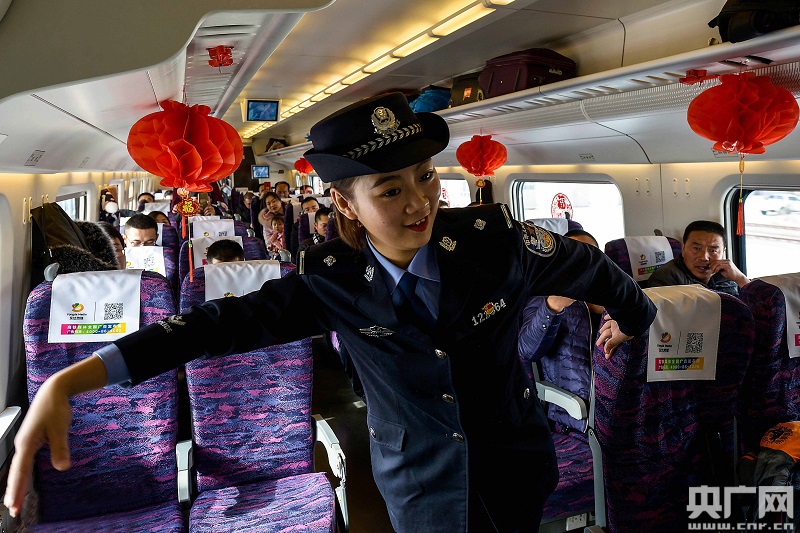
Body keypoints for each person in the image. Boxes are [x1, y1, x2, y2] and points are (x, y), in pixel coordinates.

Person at [6, 92, 656, 531]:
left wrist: (633, 316)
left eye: (426, 176)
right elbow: (212, 327)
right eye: (390, 190)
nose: (420, 203)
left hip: (515, 466)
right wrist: (69, 379)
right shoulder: (332, 279)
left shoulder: (495, 243)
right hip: (419, 484)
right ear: (345, 203)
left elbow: (593, 271)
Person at [517, 229, 607, 430]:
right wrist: (553, 306)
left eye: (590, 254)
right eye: (574, 255)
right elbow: (527, 351)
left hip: (623, 407)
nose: (583, 262)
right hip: (577, 415)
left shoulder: (618, 294)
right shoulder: (542, 295)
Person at [646, 220, 749, 295]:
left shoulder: (728, 274)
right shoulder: (665, 279)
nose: (704, 257)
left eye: (713, 250)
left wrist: (740, 278)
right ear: (683, 248)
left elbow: (756, 308)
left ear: (723, 252)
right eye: (696, 248)